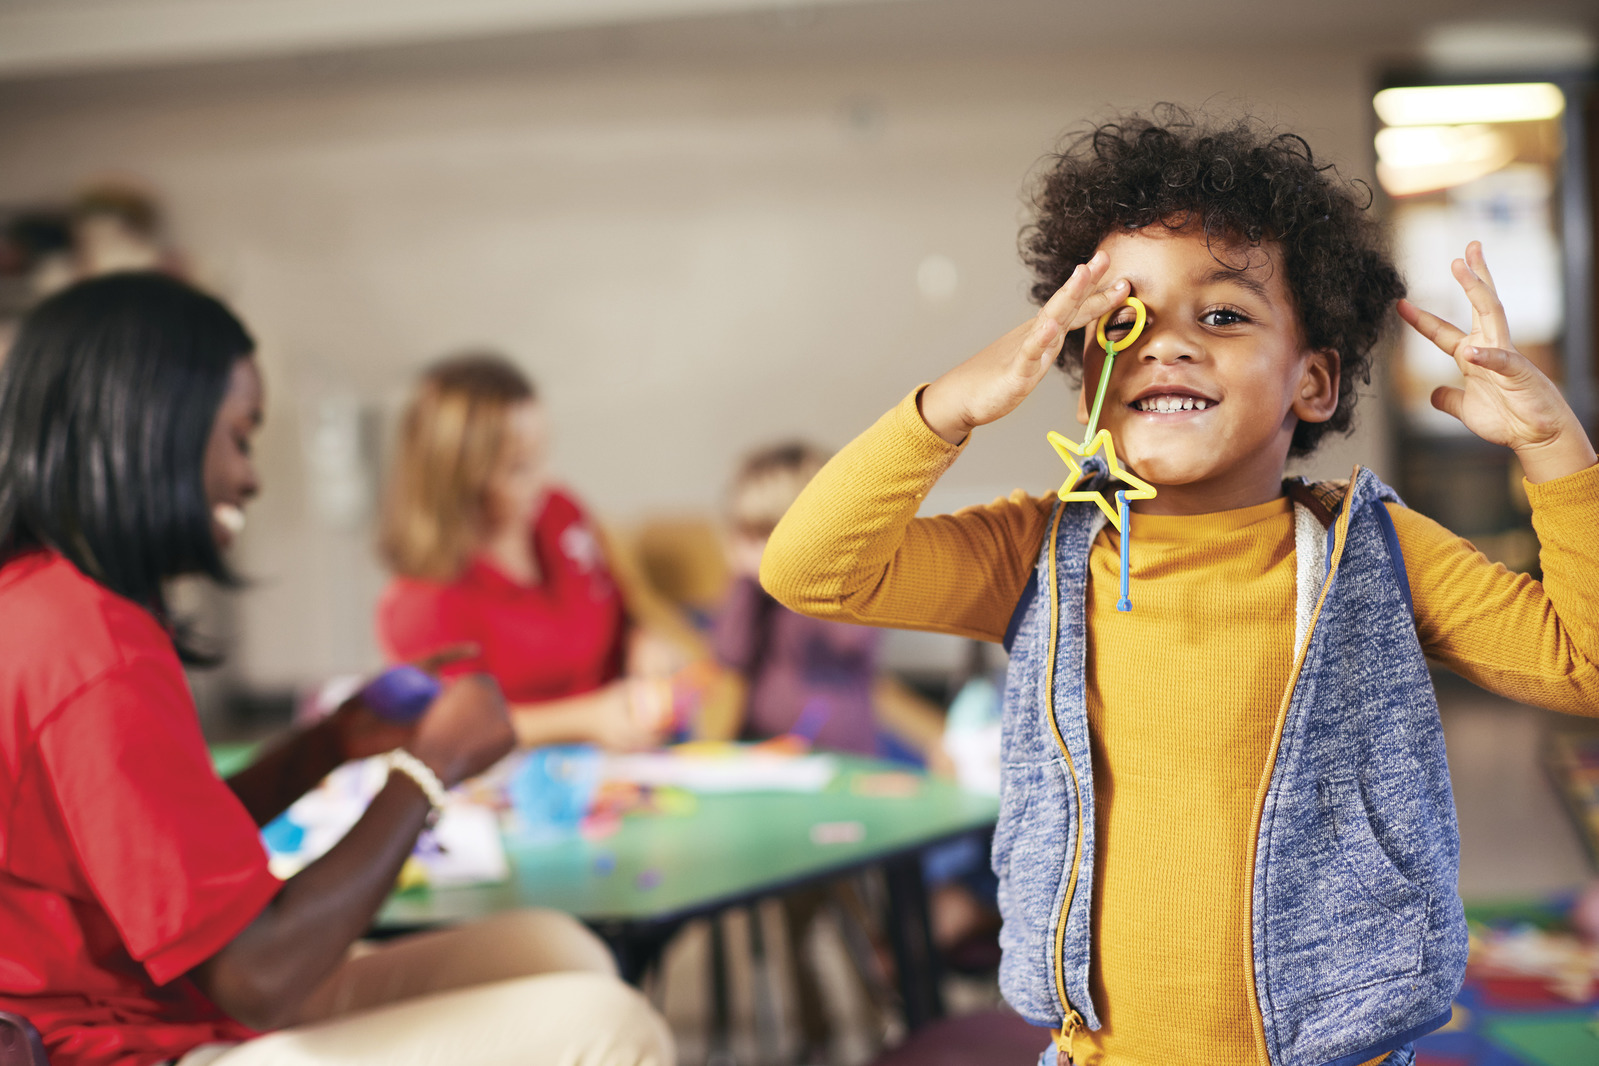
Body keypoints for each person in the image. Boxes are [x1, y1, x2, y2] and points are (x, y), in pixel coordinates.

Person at [759, 111, 1599, 1066]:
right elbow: (808, 568)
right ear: (1085, 383)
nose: (1167, 343)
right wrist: (949, 405)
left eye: (1225, 314)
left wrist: (1552, 450)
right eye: (1123, 321)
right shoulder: (1033, 549)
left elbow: (1585, 669)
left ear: (1311, 381)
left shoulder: (1371, 549)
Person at [0, 273, 674, 1066]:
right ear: (156, 434)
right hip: (130, 1048)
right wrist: (428, 770)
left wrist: (327, 744)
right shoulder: (90, 652)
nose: (250, 477)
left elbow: (161, 857)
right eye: (240, 437)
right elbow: (257, 977)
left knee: (554, 947)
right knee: (609, 1025)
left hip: (165, 1000)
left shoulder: (53, 604)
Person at [376, 354, 699, 752]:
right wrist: (588, 719)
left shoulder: (560, 513)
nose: (543, 478)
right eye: (518, 467)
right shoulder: (421, 603)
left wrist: (644, 646)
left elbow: (621, 614)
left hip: (627, 761)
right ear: (460, 481)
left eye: (541, 454)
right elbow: (455, 725)